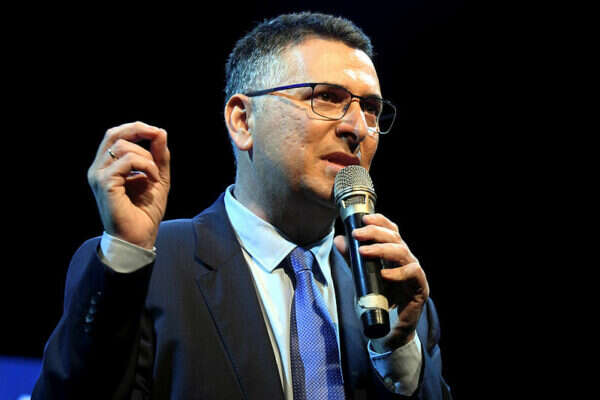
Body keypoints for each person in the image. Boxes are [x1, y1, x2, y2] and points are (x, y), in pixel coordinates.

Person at [33, 12, 452, 399]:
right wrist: (125, 257)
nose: (357, 127)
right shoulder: (149, 268)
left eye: (372, 109)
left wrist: (398, 350)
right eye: (326, 97)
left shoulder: (394, 294)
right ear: (242, 120)